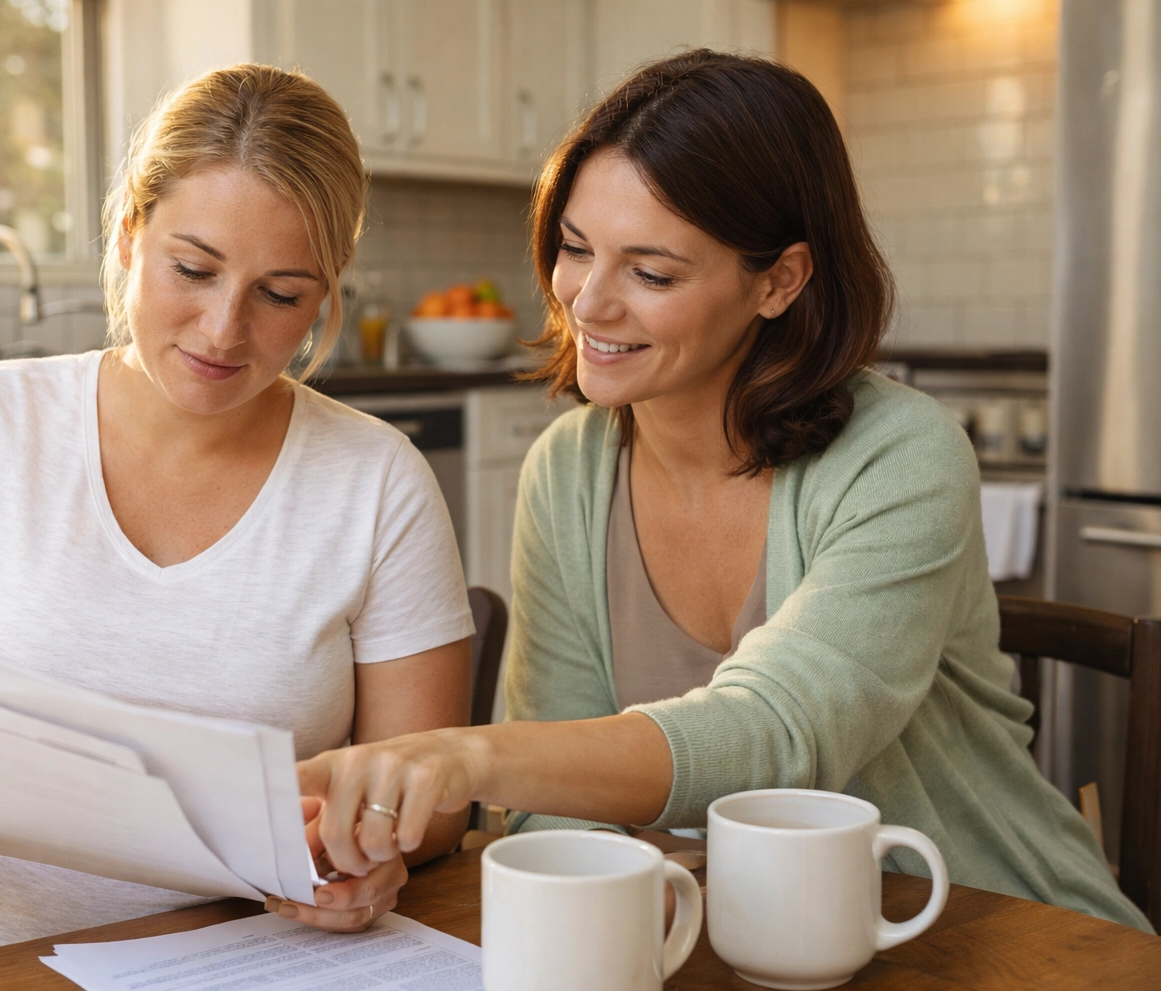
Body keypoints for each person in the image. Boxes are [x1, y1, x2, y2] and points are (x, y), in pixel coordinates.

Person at [297, 50, 1151, 932]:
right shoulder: (570, 471)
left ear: (779, 280)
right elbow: (553, 813)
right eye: (575, 249)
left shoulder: (900, 455)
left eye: (652, 273)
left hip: (990, 937)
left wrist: (469, 758)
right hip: (725, 945)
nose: (587, 304)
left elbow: (778, 733)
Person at [0, 64, 476, 968]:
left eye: (281, 294)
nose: (223, 329)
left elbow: (432, 804)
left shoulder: (377, 482)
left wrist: (370, 854)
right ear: (128, 237)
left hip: (239, 978)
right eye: (192, 269)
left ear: (328, 290)